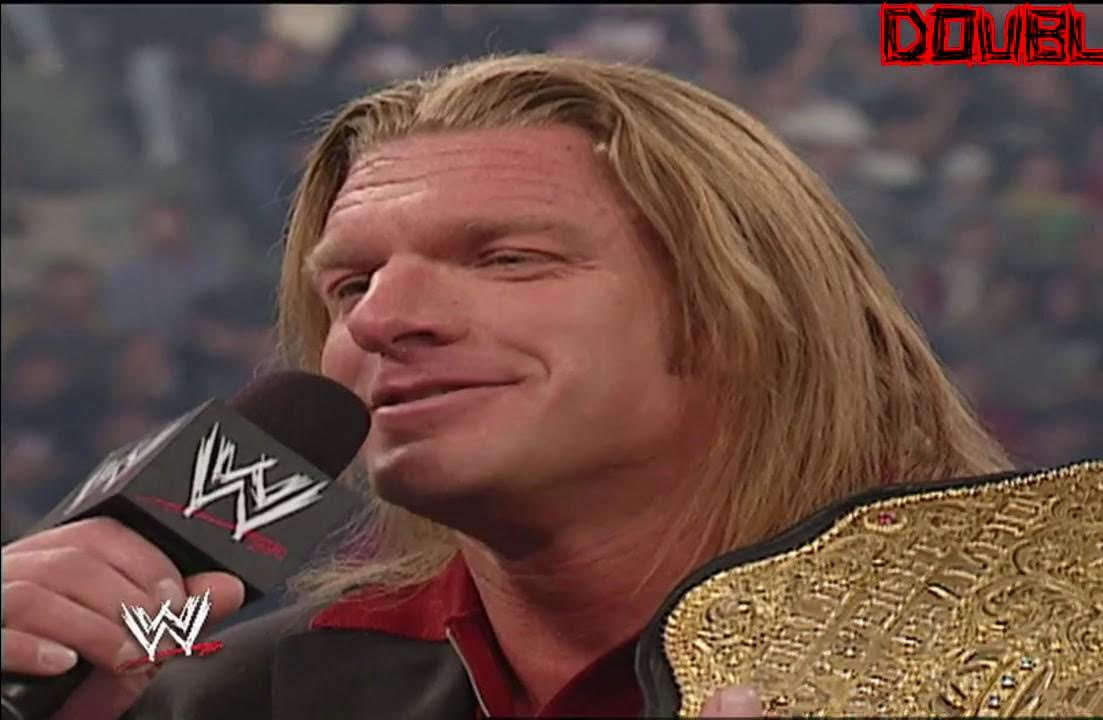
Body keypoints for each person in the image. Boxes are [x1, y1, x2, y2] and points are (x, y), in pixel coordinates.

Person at [1, 53, 1011, 719]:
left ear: (736, 308)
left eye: (508, 260)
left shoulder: (1035, 653)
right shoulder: (232, 699)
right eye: (349, 285)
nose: (382, 319)